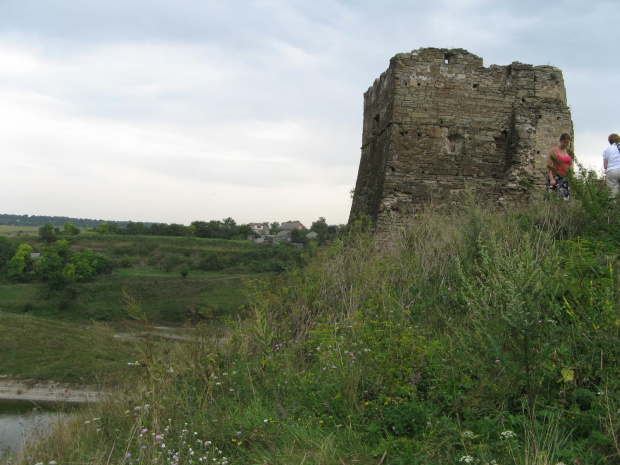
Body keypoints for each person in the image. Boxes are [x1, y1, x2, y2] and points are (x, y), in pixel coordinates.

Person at [546, 133, 573, 201]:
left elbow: (570, 164)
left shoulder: (569, 151)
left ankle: (563, 211)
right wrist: (551, 179)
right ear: (560, 141)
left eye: (567, 143)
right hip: (556, 177)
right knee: (554, 199)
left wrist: (570, 175)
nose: (566, 144)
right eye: (564, 142)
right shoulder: (554, 151)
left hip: (565, 177)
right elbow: (549, 166)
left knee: (565, 199)